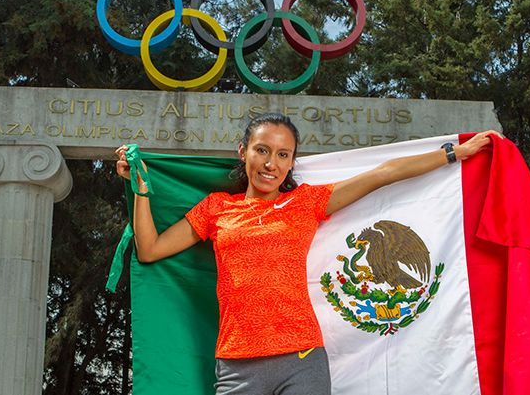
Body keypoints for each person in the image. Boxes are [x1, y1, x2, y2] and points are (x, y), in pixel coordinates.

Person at [115, 113, 502, 395]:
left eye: (283, 155)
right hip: (236, 364)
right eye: (262, 150)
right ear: (243, 152)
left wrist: (453, 153)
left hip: (301, 360)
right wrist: (142, 191)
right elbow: (149, 250)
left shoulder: (306, 203)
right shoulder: (216, 208)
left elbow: (384, 173)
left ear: (292, 162)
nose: (271, 164)